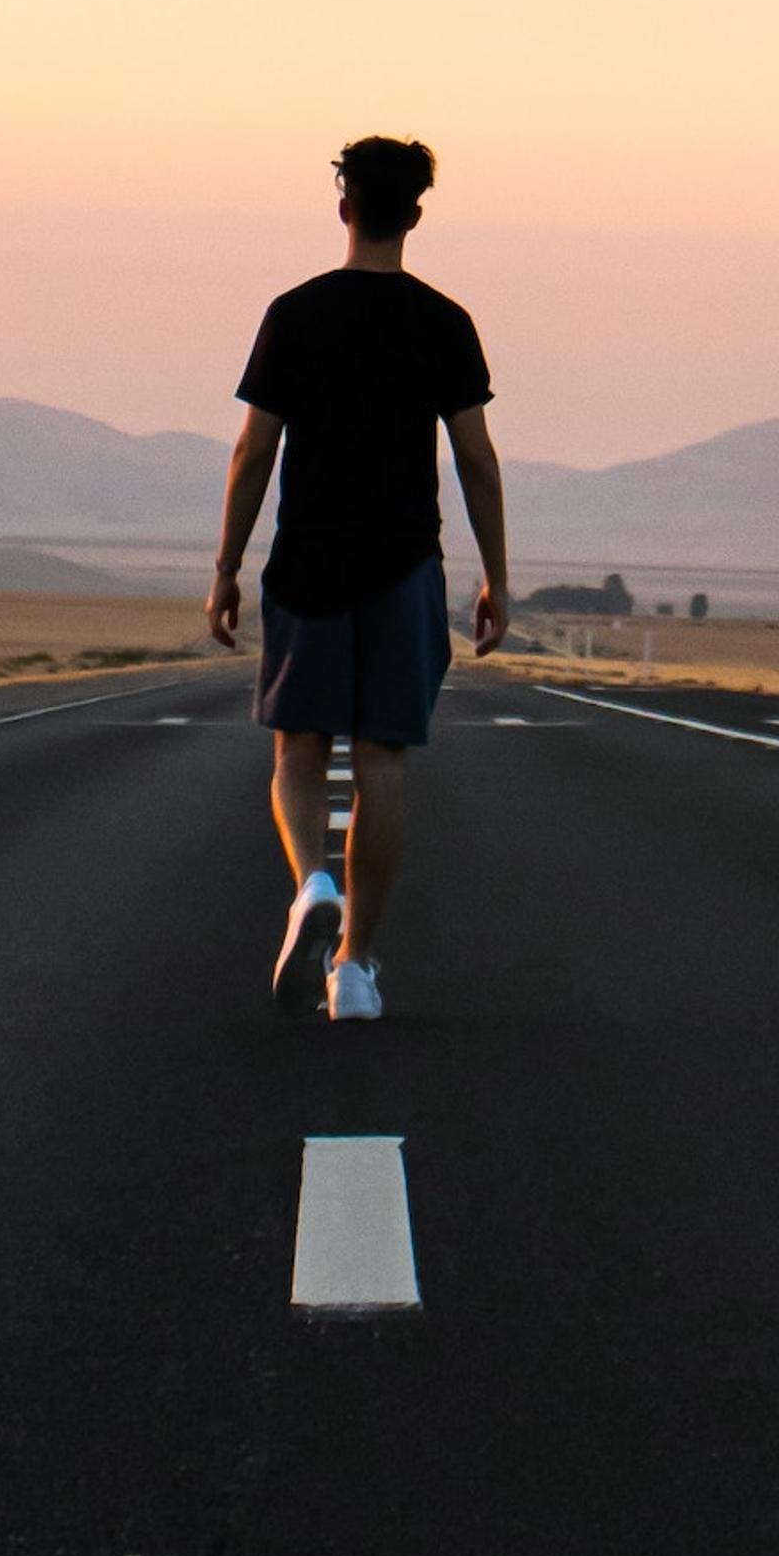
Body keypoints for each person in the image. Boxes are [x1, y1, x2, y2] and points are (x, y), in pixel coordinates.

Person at [207, 135, 508, 1021]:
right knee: (384, 760)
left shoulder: (294, 314)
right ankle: (358, 969)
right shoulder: (443, 322)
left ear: (346, 209)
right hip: (404, 565)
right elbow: (477, 462)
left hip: (307, 562)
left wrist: (226, 567)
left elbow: (254, 449)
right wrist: (496, 578)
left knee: (297, 750)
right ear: (413, 215)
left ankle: (311, 885)